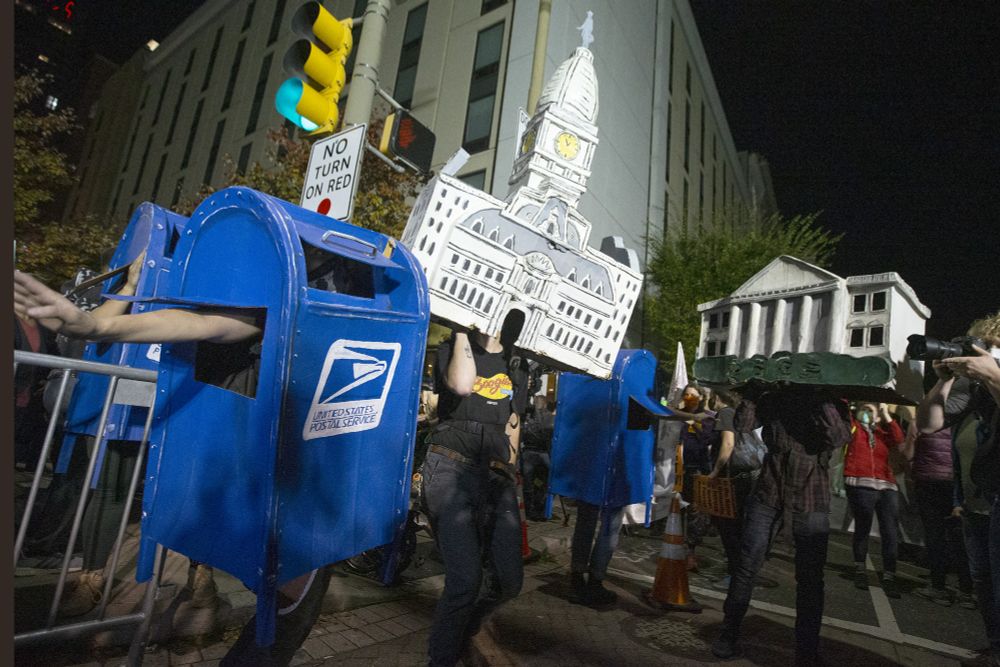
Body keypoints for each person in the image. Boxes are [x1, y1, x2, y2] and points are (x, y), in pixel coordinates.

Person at [14, 257, 344, 666]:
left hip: (291, 484)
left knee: (292, 608)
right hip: (250, 483)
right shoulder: (262, 315)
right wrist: (97, 326)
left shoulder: (323, 327)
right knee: (289, 607)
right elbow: (205, 324)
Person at [711, 382, 852, 664]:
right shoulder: (774, 398)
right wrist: (751, 393)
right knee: (746, 565)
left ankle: (806, 651)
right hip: (769, 493)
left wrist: (821, 398)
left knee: (810, 579)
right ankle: (729, 632)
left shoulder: (834, 403)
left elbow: (838, 437)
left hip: (811, 497)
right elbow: (743, 424)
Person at [421, 325, 527, 667]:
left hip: (495, 474)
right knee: (465, 579)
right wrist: (463, 332)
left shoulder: (517, 361)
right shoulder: (452, 347)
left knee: (510, 581)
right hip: (450, 468)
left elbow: (514, 420)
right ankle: (441, 658)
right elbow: (463, 385)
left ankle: (463, 627)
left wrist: (510, 467)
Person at [917, 312, 1000, 667]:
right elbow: (927, 424)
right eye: (983, 345)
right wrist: (943, 382)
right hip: (972, 502)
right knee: (984, 583)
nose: (984, 353)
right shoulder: (975, 388)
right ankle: (995, 647)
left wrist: (994, 377)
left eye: (993, 346)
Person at [903, 420, 975, 608]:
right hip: (953, 483)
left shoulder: (920, 421)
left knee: (935, 536)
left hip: (928, 483)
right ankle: (966, 592)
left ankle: (938, 588)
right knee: (958, 538)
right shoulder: (959, 421)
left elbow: (909, 454)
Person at [842, 402, 905, 598]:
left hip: (886, 485)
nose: (866, 413)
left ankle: (889, 575)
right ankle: (860, 569)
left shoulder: (882, 434)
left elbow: (899, 439)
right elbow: (844, 411)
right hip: (860, 483)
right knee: (863, 526)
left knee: (890, 531)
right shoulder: (854, 428)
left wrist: (887, 415)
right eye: (864, 409)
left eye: (871, 410)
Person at [706, 388, 761, 591]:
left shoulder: (725, 413)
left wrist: (715, 471)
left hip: (734, 480)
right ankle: (739, 575)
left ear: (717, 397)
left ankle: (736, 576)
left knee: (730, 529)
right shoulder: (737, 412)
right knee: (738, 528)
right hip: (747, 477)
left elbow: (728, 444)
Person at [677, 383, 714, 571]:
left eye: (693, 395)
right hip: (677, 469)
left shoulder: (707, 418)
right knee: (678, 508)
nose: (689, 398)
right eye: (686, 394)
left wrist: (694, 423)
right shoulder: (677, 416)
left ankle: (690, 551)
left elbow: (708, 439)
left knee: (696, 511)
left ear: (700, 397)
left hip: (698, 469)